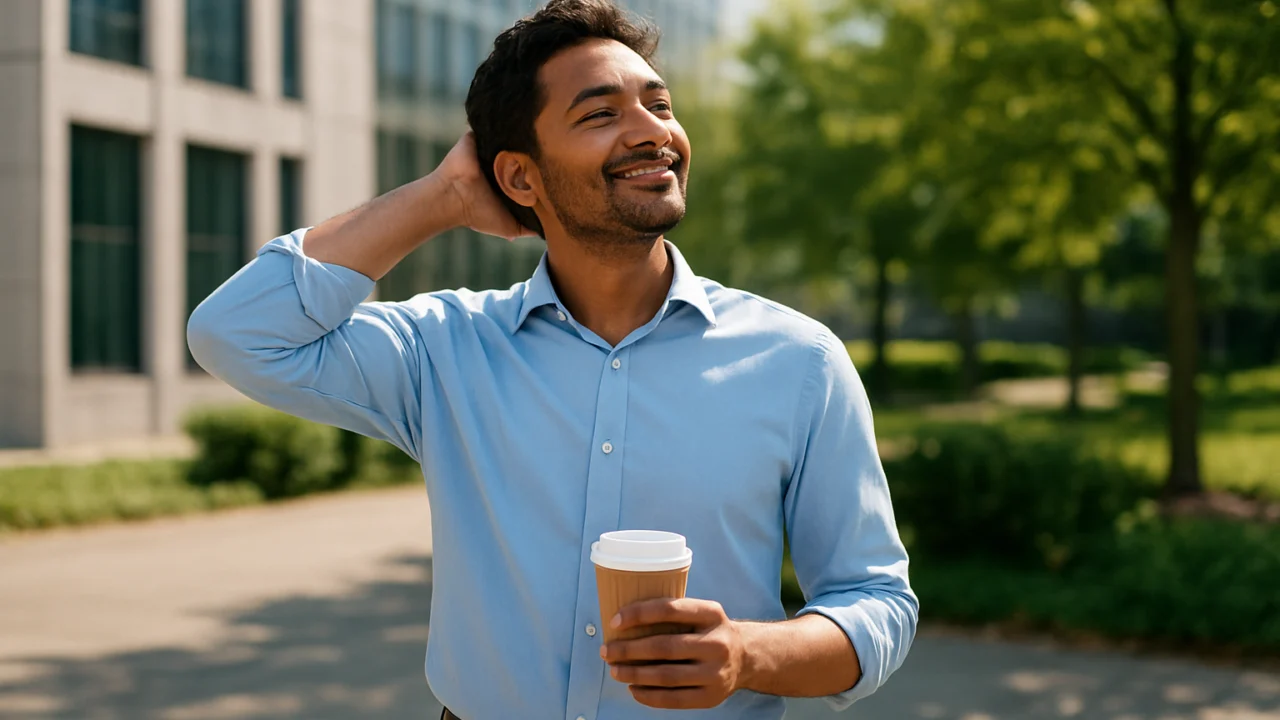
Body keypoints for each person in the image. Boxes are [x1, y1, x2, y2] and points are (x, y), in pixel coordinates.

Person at [186, 0, 917, 717]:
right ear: (518, 178)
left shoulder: (799, 362)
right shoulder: (444, 350)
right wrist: (443, 196)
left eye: (659, 105)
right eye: (600, 114)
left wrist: (748, 654)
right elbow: (236, 332)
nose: (652, 132)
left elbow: (876, 600)